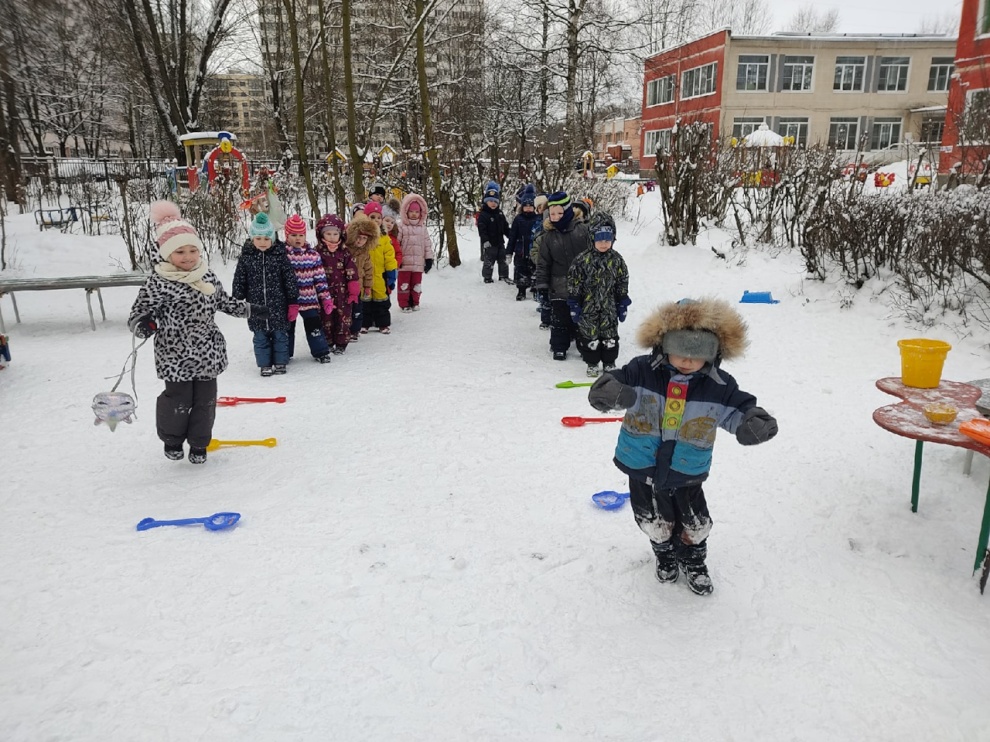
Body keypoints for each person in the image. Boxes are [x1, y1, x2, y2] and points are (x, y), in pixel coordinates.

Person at [587, 298, 778, 595]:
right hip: (642, 465)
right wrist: (608, 391)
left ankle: (694, 560)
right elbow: (615, 381)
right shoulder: (641, 371)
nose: (687, 359)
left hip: (685, 470)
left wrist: (751, 422)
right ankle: (664, 554)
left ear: (714, 352)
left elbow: (737, 408)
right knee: (651, 519)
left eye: (698, 351)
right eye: (680, 348)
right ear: (663, 344)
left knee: (695, 522)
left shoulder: (719, 385)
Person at [128, 200, 259, 465]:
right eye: (179, 252)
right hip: (174, 354)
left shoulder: (207, 276)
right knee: (177, 401)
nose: (188, 257)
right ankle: (172, 439)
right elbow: (138, 311)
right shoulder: (159, 282)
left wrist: (250, 309)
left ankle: (199, 443)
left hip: (207, 352)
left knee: (205, 402)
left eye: (192, 250)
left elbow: (224, 302)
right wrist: (144, 323)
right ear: (166, 254)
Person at [232, 212, 299, 376]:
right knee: (260, 337)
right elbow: (240, 279)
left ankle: (280, 362)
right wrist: (238, 298)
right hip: (256, 307)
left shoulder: (280, 257)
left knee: (280, 336)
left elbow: (289, 279)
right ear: (252, 238)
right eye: (258, 238)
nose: (262, 242)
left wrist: (292, 301)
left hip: (278, 306)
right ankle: (264, 364)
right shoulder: (246, 258)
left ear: (273, 239)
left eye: (266, 238)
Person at [566, 211, 630, 377]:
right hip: (588, 307)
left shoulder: (617, 260)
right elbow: (574, 282)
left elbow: (622, 280)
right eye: (599, 239)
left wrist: (622, 301)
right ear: (591, 238)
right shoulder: (582, 260)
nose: (603, 244)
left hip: (609, 306)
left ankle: (609, 362)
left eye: (607, 240)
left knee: (610, 335)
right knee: (590, 336)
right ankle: (592, 363)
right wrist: (574, 303)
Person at [533, 191, 592, 360]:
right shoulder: (548, 237)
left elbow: (594, 254)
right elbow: (543, 263)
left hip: (582, 285)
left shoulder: (583, 231)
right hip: (558, 286)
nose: (556, 217)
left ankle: (585, 346)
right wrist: (542, 285)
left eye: (559, 213)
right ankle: (559, 346)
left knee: (583, 318)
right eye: (552, 214)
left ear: (567, 211)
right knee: (559, 318)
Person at [283, 214, 334, 364]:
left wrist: (325, 298)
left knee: (314, 327)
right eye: (293, 235)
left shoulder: (313, 256)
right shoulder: (283, 255)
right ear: (286, 236)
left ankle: (321, 351)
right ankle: (284, 354)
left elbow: (320, 279)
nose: (298, 239)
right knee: (287, 328)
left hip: (309, 300)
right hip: (288, 301)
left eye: (301, 235)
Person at [314, 214, 360, 354]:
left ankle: (341, 342)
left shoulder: (344, 252)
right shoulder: (317, 252)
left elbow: (351, 269)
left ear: (341, 234)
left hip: (342, 293)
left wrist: (353, 288)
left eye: (335, 234)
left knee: (343, 318)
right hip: (324, 293)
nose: (332, 237)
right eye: (328, 234)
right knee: (325, 318)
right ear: (321, 234)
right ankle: (327, 341)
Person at [361, 203, 398, 333]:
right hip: (364, 275)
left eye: (378, 217)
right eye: (372, 217)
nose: (376, 220)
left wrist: (391, 272)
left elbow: (389, 255)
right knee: (365, 300)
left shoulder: (384, 237)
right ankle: (364, 323)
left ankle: (383, 323)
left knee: (381, 299)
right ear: (366, 218)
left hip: (379, 275)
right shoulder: (362, 236)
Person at [396, 192, 434, 312]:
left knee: (416, 284)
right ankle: (404, 303)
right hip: (404, 263)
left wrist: (429, 258)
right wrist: (396, 259)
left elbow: (427, 244)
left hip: (418, 263)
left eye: (417, 212)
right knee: (404, 284)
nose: (414, 214)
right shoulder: (401, 227)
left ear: (421, 213)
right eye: (411, 211)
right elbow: (396, 244)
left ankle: (415, 302)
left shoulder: (422, 228)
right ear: (405, 212)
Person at [346, 211, 375, 341]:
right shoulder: (345, 249)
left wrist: (368, 286)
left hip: (359, 286)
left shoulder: (365, 252)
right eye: (359, 237)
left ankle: (355, 331)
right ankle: (344, 330)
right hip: (345, 286)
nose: (360, 240)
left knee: (357, 310)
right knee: (346, 310)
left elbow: (368, 270)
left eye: (364, 238)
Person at [508, 185, 539, 301]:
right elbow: (512, 236)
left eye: (531, 206)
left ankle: (535, 289)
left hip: (534, 251)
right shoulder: (518, 219)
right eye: (526, 206)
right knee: (521, 271)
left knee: (535, 270)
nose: (528, 208)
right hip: (520, 250)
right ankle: (521, 290)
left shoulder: (538, 219)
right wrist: (509, 252)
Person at [477, 180, 511, 284]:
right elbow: (482, 230)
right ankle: (487, 277)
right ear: (486, 201)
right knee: (489, 261)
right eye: (490, 201)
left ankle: (504, 276)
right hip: (490, 243)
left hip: (500, 242)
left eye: (495, 201)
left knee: (503, 259)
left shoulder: (500, 214)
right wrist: (485, 240)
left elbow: (505, 227)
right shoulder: (483, 215)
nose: (493, 203)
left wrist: (511, 235)